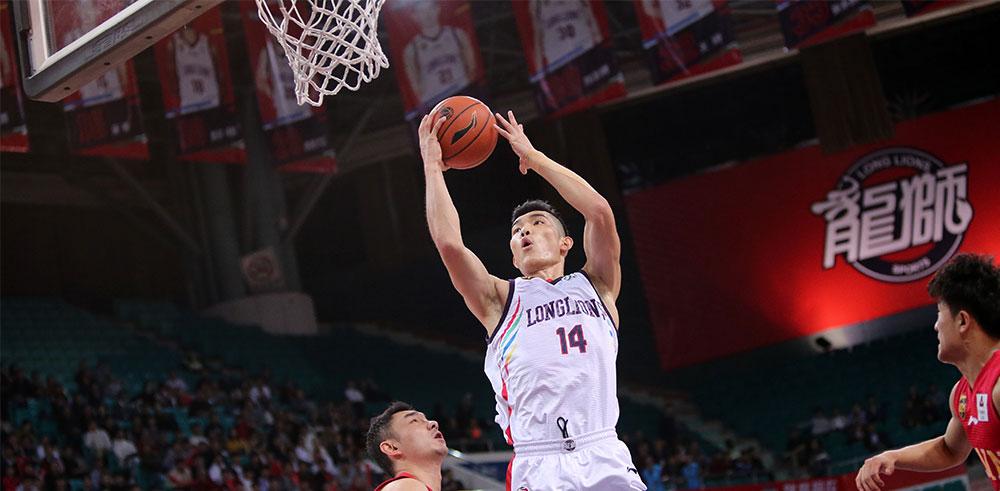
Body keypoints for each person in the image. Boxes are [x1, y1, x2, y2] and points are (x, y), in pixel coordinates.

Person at [419, 110, 645, 489]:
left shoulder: (597, 285)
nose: (525, 231)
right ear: (513, 257)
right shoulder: (500, 299)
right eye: (517, 230)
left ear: (565, 243)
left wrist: (534, 157)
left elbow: (599, 212)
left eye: (538, 224)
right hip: (539, 461)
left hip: (603, 452)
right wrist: (431, 166)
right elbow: (450, 245)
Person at [856, 254, 1000, 491]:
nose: (935, 326)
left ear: (962, 321)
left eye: (939, 314)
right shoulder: (962, 394)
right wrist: (892, 456)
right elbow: (949, 450)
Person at [401, 1, 477, 106]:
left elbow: (472, 67)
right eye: (422, 11)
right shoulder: (411, 49)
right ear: (414, 16)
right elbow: (414, 83)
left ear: (437, 9)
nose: (427, 15)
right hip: (435, 99)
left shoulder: (457, 34)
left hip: (463, 90)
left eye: (430, 9)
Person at [366, 402, 448, 491]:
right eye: (414, 420)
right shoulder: (406, 486)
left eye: (426, 419)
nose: (434, 423)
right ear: (391, 447)